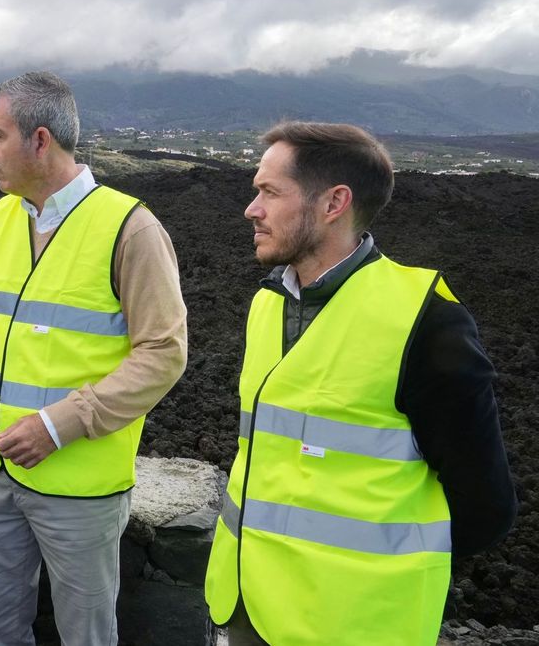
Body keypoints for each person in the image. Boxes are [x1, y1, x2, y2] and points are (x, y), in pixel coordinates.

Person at [0, 71, 187, 645]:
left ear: (39, 139)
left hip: (80, 485)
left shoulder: (130, 228)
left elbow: (164, 353)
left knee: (86, 636)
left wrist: (61, 425)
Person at [204, 121, 517, 645]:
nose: (251, 209)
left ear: (334, 203)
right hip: (245, 607)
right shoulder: (268, 303)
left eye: (269, 192)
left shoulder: (425, 319)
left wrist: (374, 577)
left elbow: (485, 510)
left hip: (354, 626)